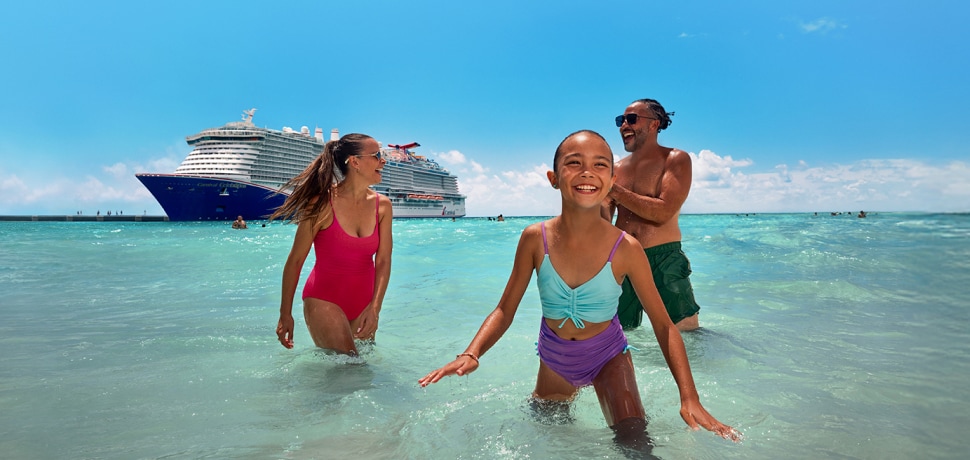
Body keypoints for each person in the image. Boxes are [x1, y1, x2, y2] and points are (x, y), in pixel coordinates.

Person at [419, 130, 739, 450]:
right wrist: (472, 353)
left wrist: (689, 397)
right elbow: (504, 310)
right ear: (554, 178)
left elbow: (664, 326)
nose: (587, 172)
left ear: (612, 180)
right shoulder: (535, 238)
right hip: (554, 358)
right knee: (548, 438)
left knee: (635, 443)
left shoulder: (625, 248)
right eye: (574, 163)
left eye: (600, 165)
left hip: (608, 357)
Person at [269, 133, 393, 355]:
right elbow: (296, 260)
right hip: (324, 299)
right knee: (350, 366)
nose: (383, 161)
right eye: (376, 155)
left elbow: (383, 260)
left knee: (363, 368)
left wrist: (375, 308)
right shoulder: (321, 203)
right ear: (354, 162)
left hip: (365, 303)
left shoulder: (383, 206)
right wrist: (285, 313)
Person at [604, 98, 701, 331]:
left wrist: (614, 190)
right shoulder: (615, 169)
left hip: (663, 259)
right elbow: (603, 219)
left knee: (687, 335)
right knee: (619, 334)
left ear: (654, 124)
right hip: (622, 258)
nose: (624, 125)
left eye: (631, 119)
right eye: (620, 120)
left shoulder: (675, 159)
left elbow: (663, 212)